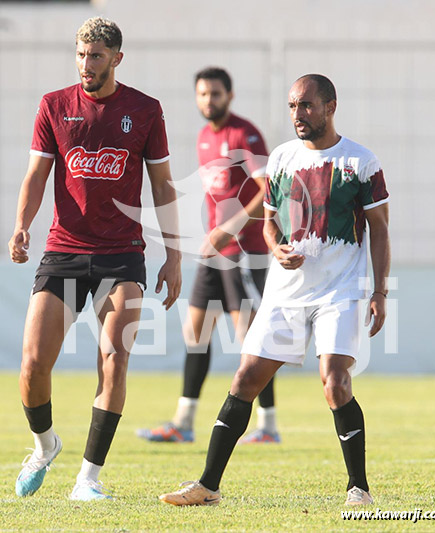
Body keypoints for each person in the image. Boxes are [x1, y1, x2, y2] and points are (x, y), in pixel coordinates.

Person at [158, 74, 390, 507]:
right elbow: (267, 220)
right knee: (245, 378)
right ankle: (208, 485)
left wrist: (379, 292)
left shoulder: (362, 162)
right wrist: (274, 248)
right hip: (285, 292)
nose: (297, 115)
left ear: (330, 106)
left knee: (335, 382)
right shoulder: (282, 158)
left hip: (340, 291)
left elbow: (380, 228)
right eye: (292, 106)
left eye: (306, 105)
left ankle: (358, 489)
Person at [8, 17, 181, 501]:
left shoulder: (144, 110)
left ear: (117, 59)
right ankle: (45, 446)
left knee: (114, 358)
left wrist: (174, 255)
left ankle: (88, 479)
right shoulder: (53, 105)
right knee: (32, 366)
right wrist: (22, 224)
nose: (87, 64)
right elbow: (36, 176)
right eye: (82, 55)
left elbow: (164, 186)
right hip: (63, 250)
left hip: (122, 256)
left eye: (97, 56)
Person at [137, 67, 280, 444]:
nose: (208, 101)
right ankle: (183, 422)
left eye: (215, 94)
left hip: (245, 252)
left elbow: (269, 192)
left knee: (250, 339)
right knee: (195, 332)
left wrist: (227, 228)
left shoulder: (244, 134)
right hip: (214, 251)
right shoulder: (203, 137)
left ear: (229, 96)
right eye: (202, 94)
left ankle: (267, 426)